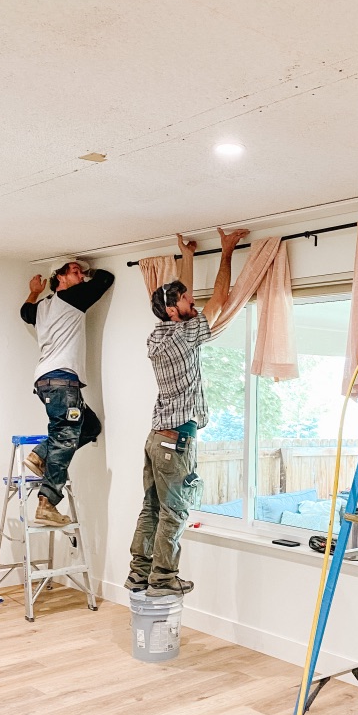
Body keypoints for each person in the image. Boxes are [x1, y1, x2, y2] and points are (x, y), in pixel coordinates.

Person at [126, 227, 248, 597]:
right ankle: (163, 578)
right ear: (172, 310)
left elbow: (180, 299)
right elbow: (222, 297)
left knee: (151, 509)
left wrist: (188, 256)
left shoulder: (158, 335)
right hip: (175, 440)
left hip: (155, 438)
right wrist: (227, 251)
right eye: (188, 302)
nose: (194, 305)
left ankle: (138, 573)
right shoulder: (186, 333)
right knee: (175, 512)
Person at [20, 259, 114, 526]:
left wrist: (34, 291)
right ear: (59, 277)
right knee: (65, 437)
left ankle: (41, 453)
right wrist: (91, 274)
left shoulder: (42, 307)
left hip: (47, 381)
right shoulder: (72, 298)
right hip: (62, 381)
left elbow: (24, 312)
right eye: (75, 272)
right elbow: (105, 279)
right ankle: (47, 503)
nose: (82, 276)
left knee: (90, 426)